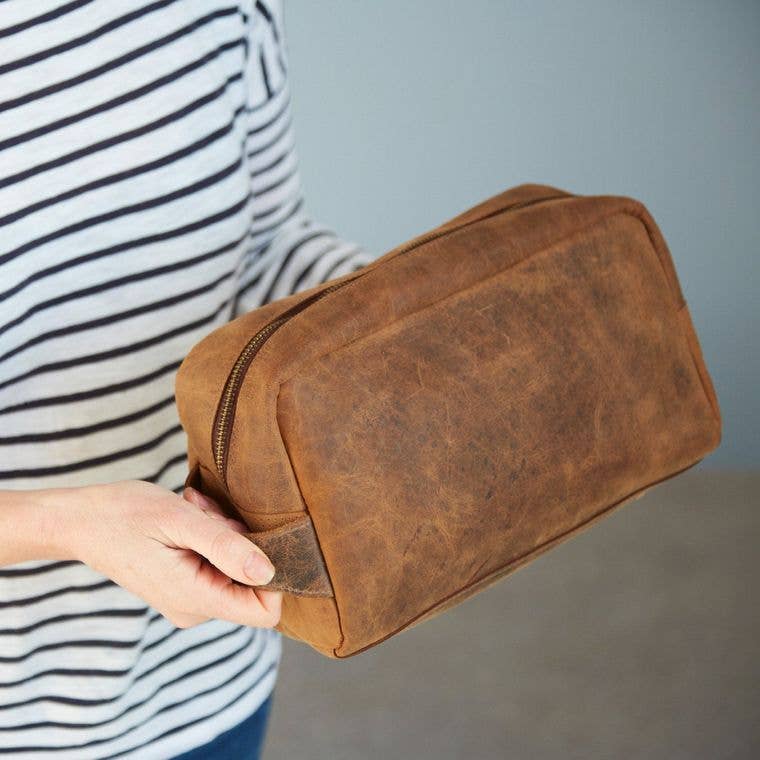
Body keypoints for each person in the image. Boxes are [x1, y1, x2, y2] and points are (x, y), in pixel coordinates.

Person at [0, 1, 373, 757]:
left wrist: (390, 328)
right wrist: (61, 523)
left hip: (210, 671)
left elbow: (266, 248)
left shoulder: (217, 12)